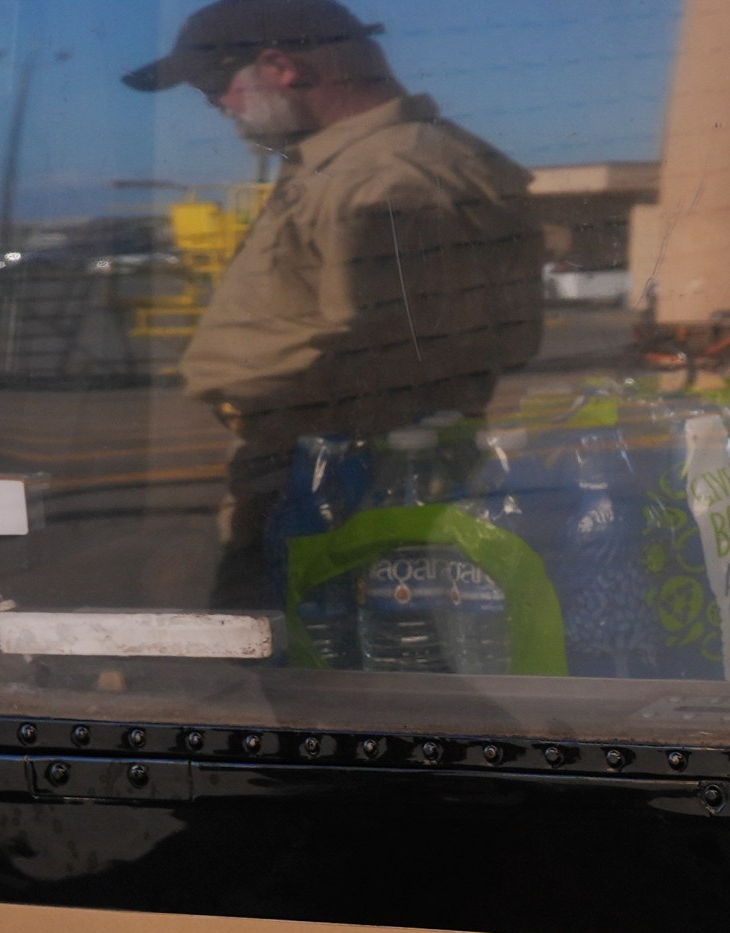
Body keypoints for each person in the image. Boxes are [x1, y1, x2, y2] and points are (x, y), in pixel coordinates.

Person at [124, 0, 544, 606]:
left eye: (216, 85)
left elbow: (405, 367)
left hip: (347, 503)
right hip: (316, 488)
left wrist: (277, 420)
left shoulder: (391, 176)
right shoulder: (345, 166)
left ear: (281, 67)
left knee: (321, 687)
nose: (217, 105)